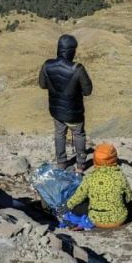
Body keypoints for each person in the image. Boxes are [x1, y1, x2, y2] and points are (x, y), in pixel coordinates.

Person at [38, 34, 93, 172]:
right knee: (78, 134)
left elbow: (42, 85)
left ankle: (61, 163)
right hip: (74, 112)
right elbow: (87, 91)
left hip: (56, 110)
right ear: (71, 51)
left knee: (59, 134)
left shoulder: (47, 65)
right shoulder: (77, 68)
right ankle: (80, 165)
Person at [63, 143, 132, 229]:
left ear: (95, 159)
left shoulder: (90, 177)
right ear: (114, 159)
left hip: (95, 220)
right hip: (119, 220)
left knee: (82, 202)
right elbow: (129, 197)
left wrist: (67, 206)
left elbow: (78, 196)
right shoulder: (120, 176)